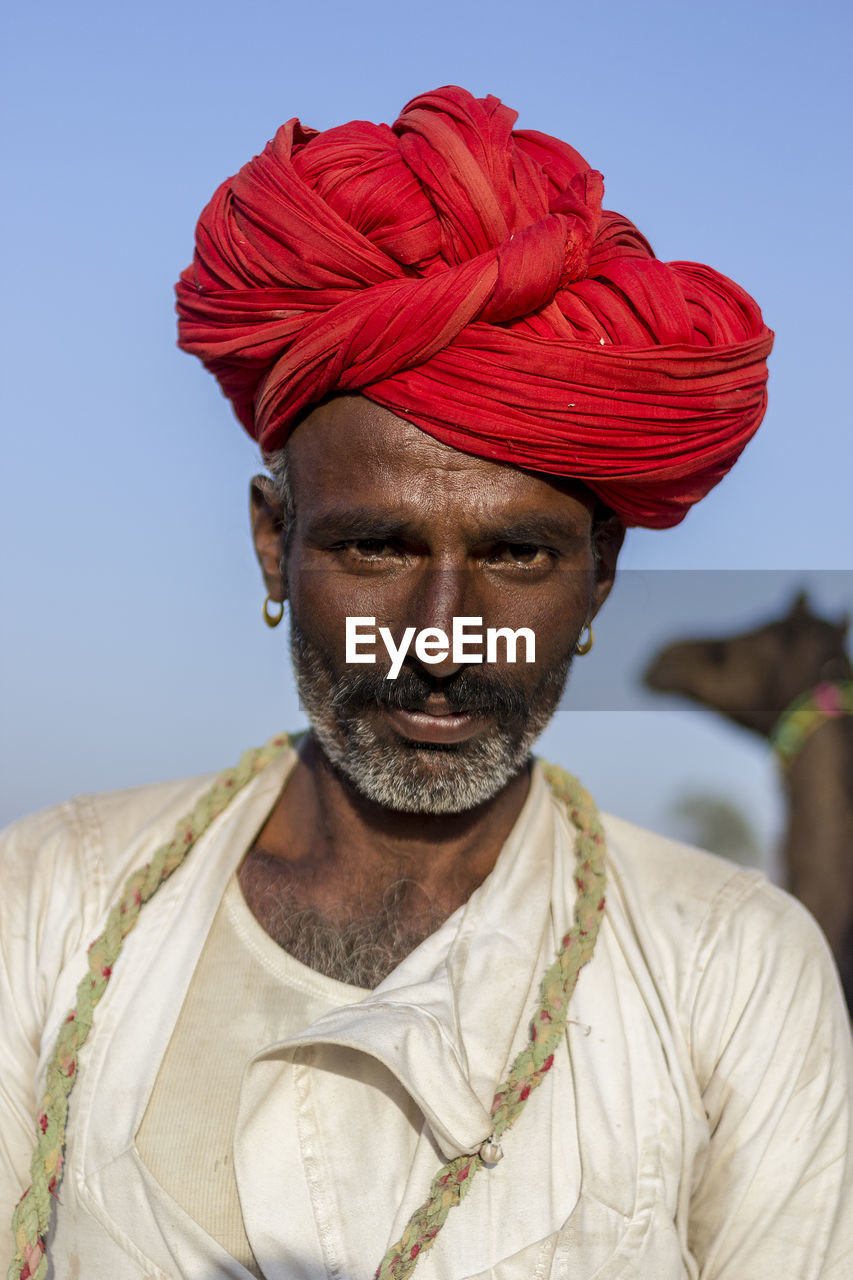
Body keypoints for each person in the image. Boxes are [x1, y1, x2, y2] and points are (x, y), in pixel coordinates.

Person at [2, 86, 850, 1280]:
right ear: (271, 543)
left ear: (599, 574)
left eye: (515, 556)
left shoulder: (728, 968)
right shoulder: (49, 904)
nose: (442, 639)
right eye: (376, 548)